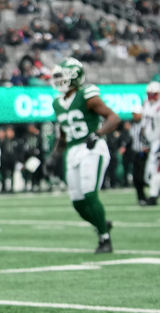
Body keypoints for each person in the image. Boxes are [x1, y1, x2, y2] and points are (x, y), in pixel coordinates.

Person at [47, 57, 121, 253]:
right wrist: (54, 156)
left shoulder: (87, 95)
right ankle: (102, 223)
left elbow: (113, 118)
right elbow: (63, 135)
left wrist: (98, 133)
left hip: (91, 148)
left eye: (62, 76)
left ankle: (105, 239)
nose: (58, 80)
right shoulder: (57, 103)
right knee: (78, 203)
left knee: (89, 194)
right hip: (72, 150)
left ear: (75, 77)